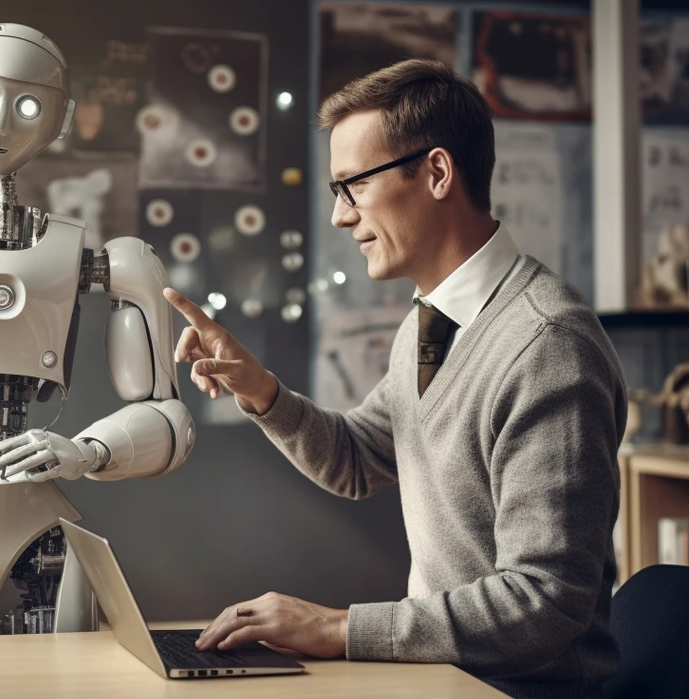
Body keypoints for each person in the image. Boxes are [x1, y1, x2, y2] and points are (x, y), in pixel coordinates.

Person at [163, 59, 626, 698]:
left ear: (436, 173)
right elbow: (357, 459)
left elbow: (544, 602)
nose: (340, 216)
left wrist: (337, 627)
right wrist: (259, 389)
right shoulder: (429, 322)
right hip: (444, 680)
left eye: (353, 185)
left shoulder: (547, 345)